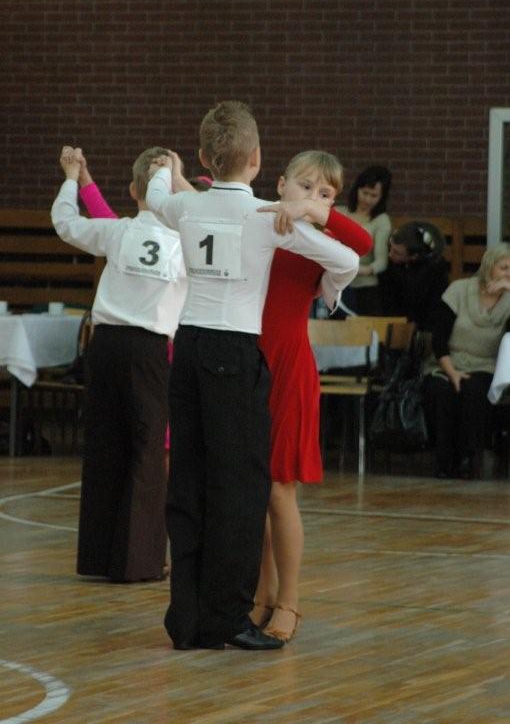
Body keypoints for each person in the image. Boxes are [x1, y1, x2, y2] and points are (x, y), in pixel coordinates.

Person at [146, 100, 360, 651]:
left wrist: (162, 172)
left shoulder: (186, 208)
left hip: (186, 345)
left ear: (201, 157)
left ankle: (186, 619)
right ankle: (228, 617)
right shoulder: (265, 216)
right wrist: (306, 220)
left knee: (189, 483)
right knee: (241, 490)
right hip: (235, 353)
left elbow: (155, 198)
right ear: (260, 160)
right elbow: (350, 263)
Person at [248, 151, 372, 642]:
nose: (314, 198)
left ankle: (291, 602)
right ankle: (262, 592)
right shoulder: (257, 219)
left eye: (326, 194)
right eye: (305, 186)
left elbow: (359, 241)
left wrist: (312, 212)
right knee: (253, 489)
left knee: (280, 488)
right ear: (280, 184)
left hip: (289, 367)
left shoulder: (325, 250)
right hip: (244, 365)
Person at [52, 146, 186, 582]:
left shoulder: (118, 231)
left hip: (105, 345)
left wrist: (73, 177)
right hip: (149, 352)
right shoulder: (187, 245)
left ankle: (96, 556)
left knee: (105, 446)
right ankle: (138, 562)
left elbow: (65, 223)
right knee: (147, 453)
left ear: (132, 189)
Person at [422, 243, 510, 479]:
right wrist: (452, 373)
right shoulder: (458, 290)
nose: (509, 273)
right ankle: (442, 461)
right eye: (504, 268)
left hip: (485, 364)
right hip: (446, 362)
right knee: (441, 390)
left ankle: (468, 459)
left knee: (474, 391)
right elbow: (438, 338)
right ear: (489, 267)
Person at [335, 166, 392, 315]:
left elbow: (381, 262)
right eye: (364, 193)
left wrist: (362, 270)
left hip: (364, 288)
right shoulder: (340, 212)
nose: (367, 199)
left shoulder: (381, 221)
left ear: (382, 197)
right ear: (357, 189)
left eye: (373, 195)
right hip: (336, 284)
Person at [379, 221, 450, 331]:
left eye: (397, 253)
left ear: (414, 257)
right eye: (390, 248)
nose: (390, 254)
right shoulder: (391, 266)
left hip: (421, 325)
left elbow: (429, 311)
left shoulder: (435, 274)